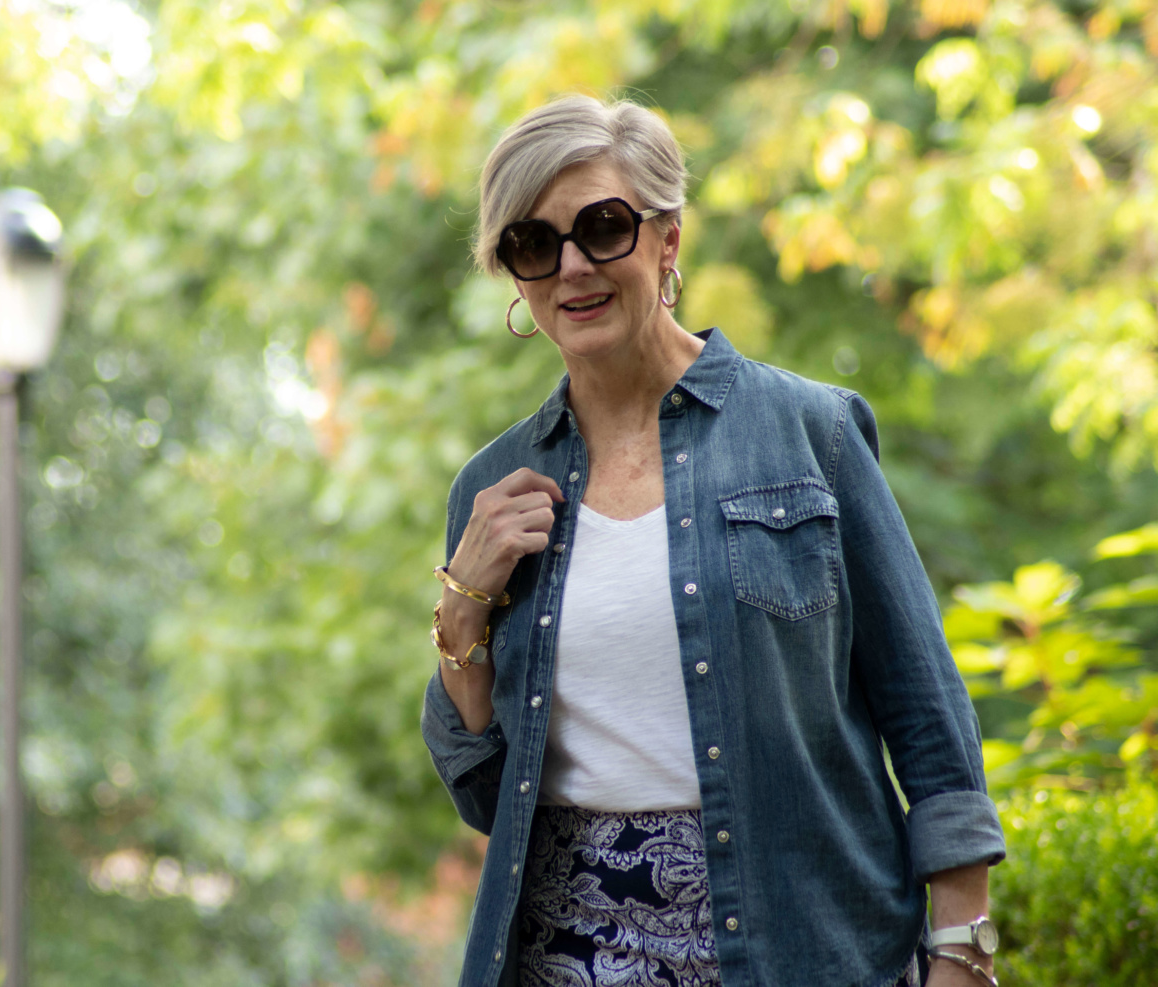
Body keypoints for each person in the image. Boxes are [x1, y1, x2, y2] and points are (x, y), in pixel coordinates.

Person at [420, 95, 1006, 987]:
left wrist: (962, 954)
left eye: (603, 227)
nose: (572, 265)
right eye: (534, 244)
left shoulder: (815, 434)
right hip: (564, 957)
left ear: (668, 239)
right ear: (515, 275)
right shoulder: (493, 490)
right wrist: (460, 621)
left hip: (804, 947)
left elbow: (928, 719)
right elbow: (492, 802)